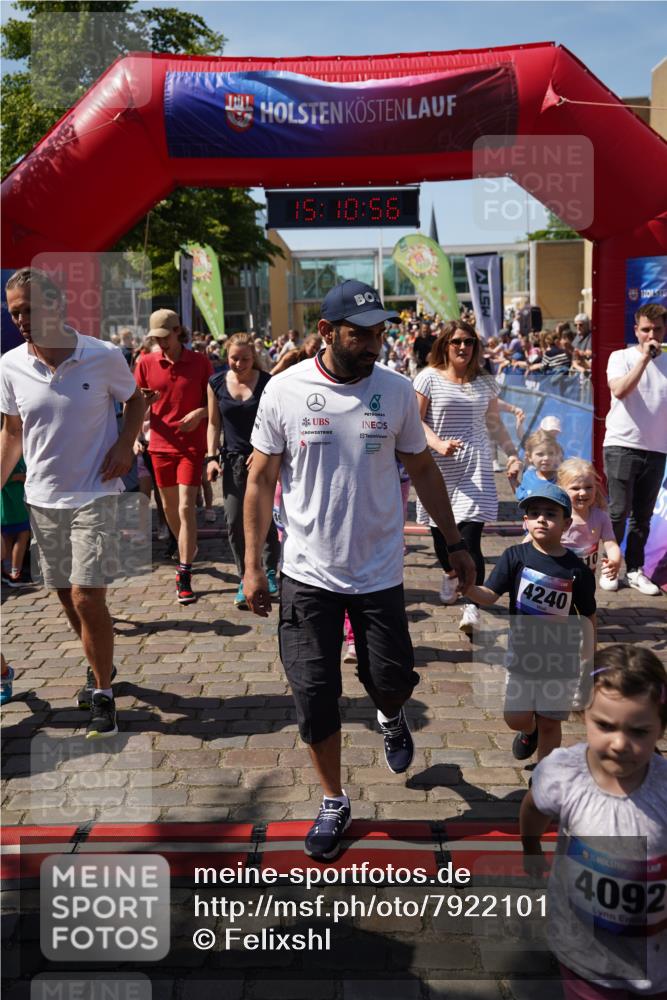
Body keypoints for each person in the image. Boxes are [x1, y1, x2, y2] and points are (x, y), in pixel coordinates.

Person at [243, 279, 475, 861]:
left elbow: (421, 469)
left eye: (379, 333)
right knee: (314, 693)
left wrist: (453, 543)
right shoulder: (285, 390)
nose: (374, 343)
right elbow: (260, 480)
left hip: (378, 572)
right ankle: (333, 798)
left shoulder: (394, 391)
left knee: (392, 679)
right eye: (361, 334)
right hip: (305, 573)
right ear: (326, 331)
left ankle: (391, 713)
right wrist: (252, 565)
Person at [0, 267, 145, 738]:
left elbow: (136, 401)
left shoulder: (102, 355)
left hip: (96, 493)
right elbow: (12, 432)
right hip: (42, 498)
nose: (21, 319)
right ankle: (97, 663)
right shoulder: (10, 365)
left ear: (57, 307)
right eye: (14, 311)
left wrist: (125, 445)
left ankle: (102, 693)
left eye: (29, 310)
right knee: (66, 596)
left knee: (87, 594)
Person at [520, 644, 667, 999]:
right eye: (605, 725)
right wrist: (531, 846)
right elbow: (534, 806)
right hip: (584, 959)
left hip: (656, 963)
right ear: (584, 713)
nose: (619, 743)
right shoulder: (561, 774)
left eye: (639, 731)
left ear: (661, 728)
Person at [464, 483, 596, 763]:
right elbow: (489, 595)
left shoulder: (577, 570)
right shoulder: (515, 557)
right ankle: (528, 732)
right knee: (515, 717)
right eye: (534, 513)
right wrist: (468, 588)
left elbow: (587, 616)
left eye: (551, 514)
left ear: (566, 523)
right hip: (524, 655)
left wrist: (587, 659)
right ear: (525, 522)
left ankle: (544, 777)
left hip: (561, 659)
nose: (542, 519)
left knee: (552, 722)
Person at [413, 320, 523, 632]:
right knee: (443, 540)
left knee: (471, 539)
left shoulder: (484, 382)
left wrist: (512, 453)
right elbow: (415, 421)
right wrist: (437, 443)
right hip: (436, 469)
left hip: (476, 469)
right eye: (457, 342)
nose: (463, 347)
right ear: (444, 345)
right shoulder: (428, 378)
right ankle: (450, 572)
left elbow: (494, 424)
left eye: (469, 342)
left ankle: (471, 605)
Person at [134, 309, 213, 604]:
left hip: (191, 447)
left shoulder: (200, 362)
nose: (161, 343)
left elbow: (214, 404)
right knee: (169, 512)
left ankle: (184, 573)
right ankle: (186, 546)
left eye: (165, 337)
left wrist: (199, 413)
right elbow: (136, 406)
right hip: (159, 447)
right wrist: (136, 430)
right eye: (156, 338)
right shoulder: (145, 362)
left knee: (184, 508)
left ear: (178, 331)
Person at [206, 332, 280, 609]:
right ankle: (245, 575)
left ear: (254, 357)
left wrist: (266, 453)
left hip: (263, 460)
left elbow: (277, 423)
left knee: (266, 516)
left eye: (245, 358)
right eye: (234, 358)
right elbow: (214, 423)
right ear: (227, 357)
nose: (239, 364)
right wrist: (211, 457)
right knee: (235, 519)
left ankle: (269, 571)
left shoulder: (268, 383)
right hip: (233, 460)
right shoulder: (215, 383)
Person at [603, 303, 667, 596]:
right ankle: (609, 567)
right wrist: (644, 359)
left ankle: (634, 569)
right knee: (617, 511)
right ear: (636, 330)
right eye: (645, 329)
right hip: (622, 444)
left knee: (642, 516)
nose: (651, 334)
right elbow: (619, 390)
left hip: (656, 448)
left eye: (656, 329)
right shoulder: (621, 357)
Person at [558, 458, 622, 593]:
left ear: (596, 487)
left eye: (588, 487)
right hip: (558, 579)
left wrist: (615, 561)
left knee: (586, 609)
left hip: (586, 579)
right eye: (575, 488)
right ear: (561, 490)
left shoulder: (601, 517)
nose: (583, 492)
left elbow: (610, 543)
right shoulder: (557, 516)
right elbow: (534, 541)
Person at [512, 428, 563, 500]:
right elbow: (521, 496)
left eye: (551, 453)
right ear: (530, 457)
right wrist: (513, 481)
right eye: (540, 454)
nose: (546, 458)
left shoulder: (561, 478)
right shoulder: (528, 476)